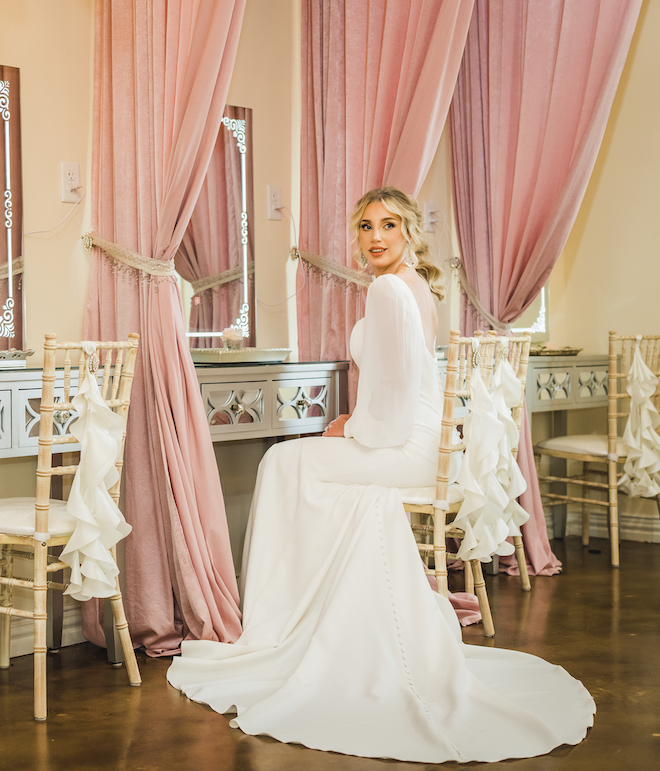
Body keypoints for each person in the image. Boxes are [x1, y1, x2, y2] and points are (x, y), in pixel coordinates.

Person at [167, 187, 595, 763]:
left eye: (388, 226)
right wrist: (356, 422)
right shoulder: (412, 286)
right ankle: (305, 623)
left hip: (401, 443)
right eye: (366, 226)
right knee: (294, 465)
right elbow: (398, 383)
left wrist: (351, 427)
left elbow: (390, 402)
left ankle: (280, 630)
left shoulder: (392, 288)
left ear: (409, 234)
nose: (375, 237)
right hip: (416, 442)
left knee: (282, 461)